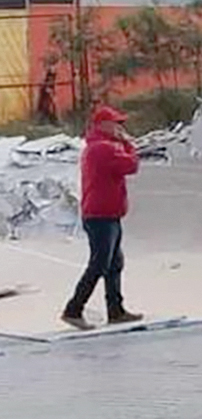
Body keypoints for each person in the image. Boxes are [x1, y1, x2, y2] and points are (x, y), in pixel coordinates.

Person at [61, 105, 143, 330]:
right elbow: (131, 165)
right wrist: (128, 144)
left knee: (114, 262)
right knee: (99, 263)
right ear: (103, 125)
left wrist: (123, 144)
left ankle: (115, 310)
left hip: (106, 213)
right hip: (101, 214)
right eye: (116, 123)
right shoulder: (103, 148)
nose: (120, 128)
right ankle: (74, 309)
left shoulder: (99, 147)